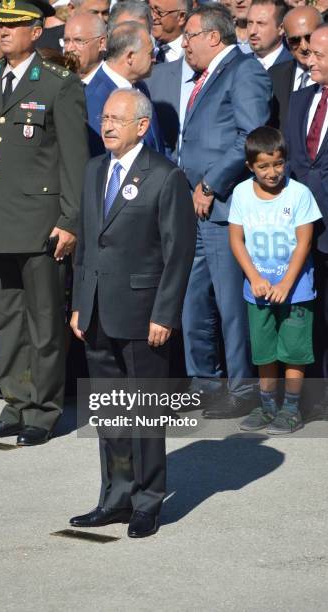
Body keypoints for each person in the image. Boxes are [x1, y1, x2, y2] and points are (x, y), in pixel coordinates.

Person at [69, 88, 196, 538]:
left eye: (117, 119)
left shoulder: (164, 176)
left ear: (142, 126)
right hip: (98, 312)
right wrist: (80, 303)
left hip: (145, 315)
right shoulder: (94, 170)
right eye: (104, 117)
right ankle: (115, 496)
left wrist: (165, 314)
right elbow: (87, 243)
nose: (106, 126)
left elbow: (178, 252)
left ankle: (147, 501)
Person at [0, 0, 89, 446]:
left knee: (43, 321)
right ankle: (15, 403)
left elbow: (74, 163)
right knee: (8, 321)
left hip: (41, 223)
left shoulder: (59, 85)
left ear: (36, 31)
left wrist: (71, 220)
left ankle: (43, 409)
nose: (1, 33)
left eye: (13, 26)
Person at [179, 3, 272, 418]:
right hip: (194, 209)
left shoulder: (243, 70)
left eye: (191, 35)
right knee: (192, 301)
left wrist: (211, 183)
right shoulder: (206, 76)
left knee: (231, 304)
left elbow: (252, 138)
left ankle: (242, 389)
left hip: (223, 206)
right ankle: (205, 383)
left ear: (214, 37)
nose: (184, 43)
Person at [229, 127, 321, 433]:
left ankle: (291, 409)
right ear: (250, 166)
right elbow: (236, 239)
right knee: (264, 350)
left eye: (278, 164)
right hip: (258, 290)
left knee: (294, 350)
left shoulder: (299, 194)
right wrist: (254, 278)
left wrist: (286, 283)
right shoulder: (241, 193)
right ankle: (267, 406)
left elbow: (304, 241)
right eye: (264, 166)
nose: (273, 172)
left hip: (296, 291)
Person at [286, 24, 328, 409]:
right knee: (305, 314)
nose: (308, 59)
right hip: (300, 229)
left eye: (318, 55)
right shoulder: (300, 100)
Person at [85, 21, 163, 156]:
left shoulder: (139, 86)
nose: (154, 59)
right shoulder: (94, 97)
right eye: (151, 53)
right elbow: (101, 158)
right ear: (130, 57)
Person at [268, 5, 322, 130]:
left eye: (309, 37)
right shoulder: (274, 75)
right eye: (295, 40)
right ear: (286, 40)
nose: (303, 47)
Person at [247, 0, 292, 68]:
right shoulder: (237, 65)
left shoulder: (295, 68)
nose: (252, 31)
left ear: (281, 28)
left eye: (261, 24)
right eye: (250, 23)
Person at [63, 13, 106, 83]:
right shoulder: (59, 79)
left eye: (78, 40)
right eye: (66, 41)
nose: (69, 48)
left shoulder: (112, 87)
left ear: (101, 43)